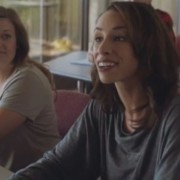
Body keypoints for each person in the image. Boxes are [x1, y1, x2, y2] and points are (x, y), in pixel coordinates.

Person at [9, 2, 180, 179]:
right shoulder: (103, 107)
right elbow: (58, 164)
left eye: (119, 37)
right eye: (98, 38)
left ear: (148, 45)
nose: (101, 49)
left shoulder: (174, 115)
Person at [0, 6, 60, 172]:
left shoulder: (27, 79)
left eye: (6, 36)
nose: (0, 43)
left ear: (17, 43)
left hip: (40, 174)